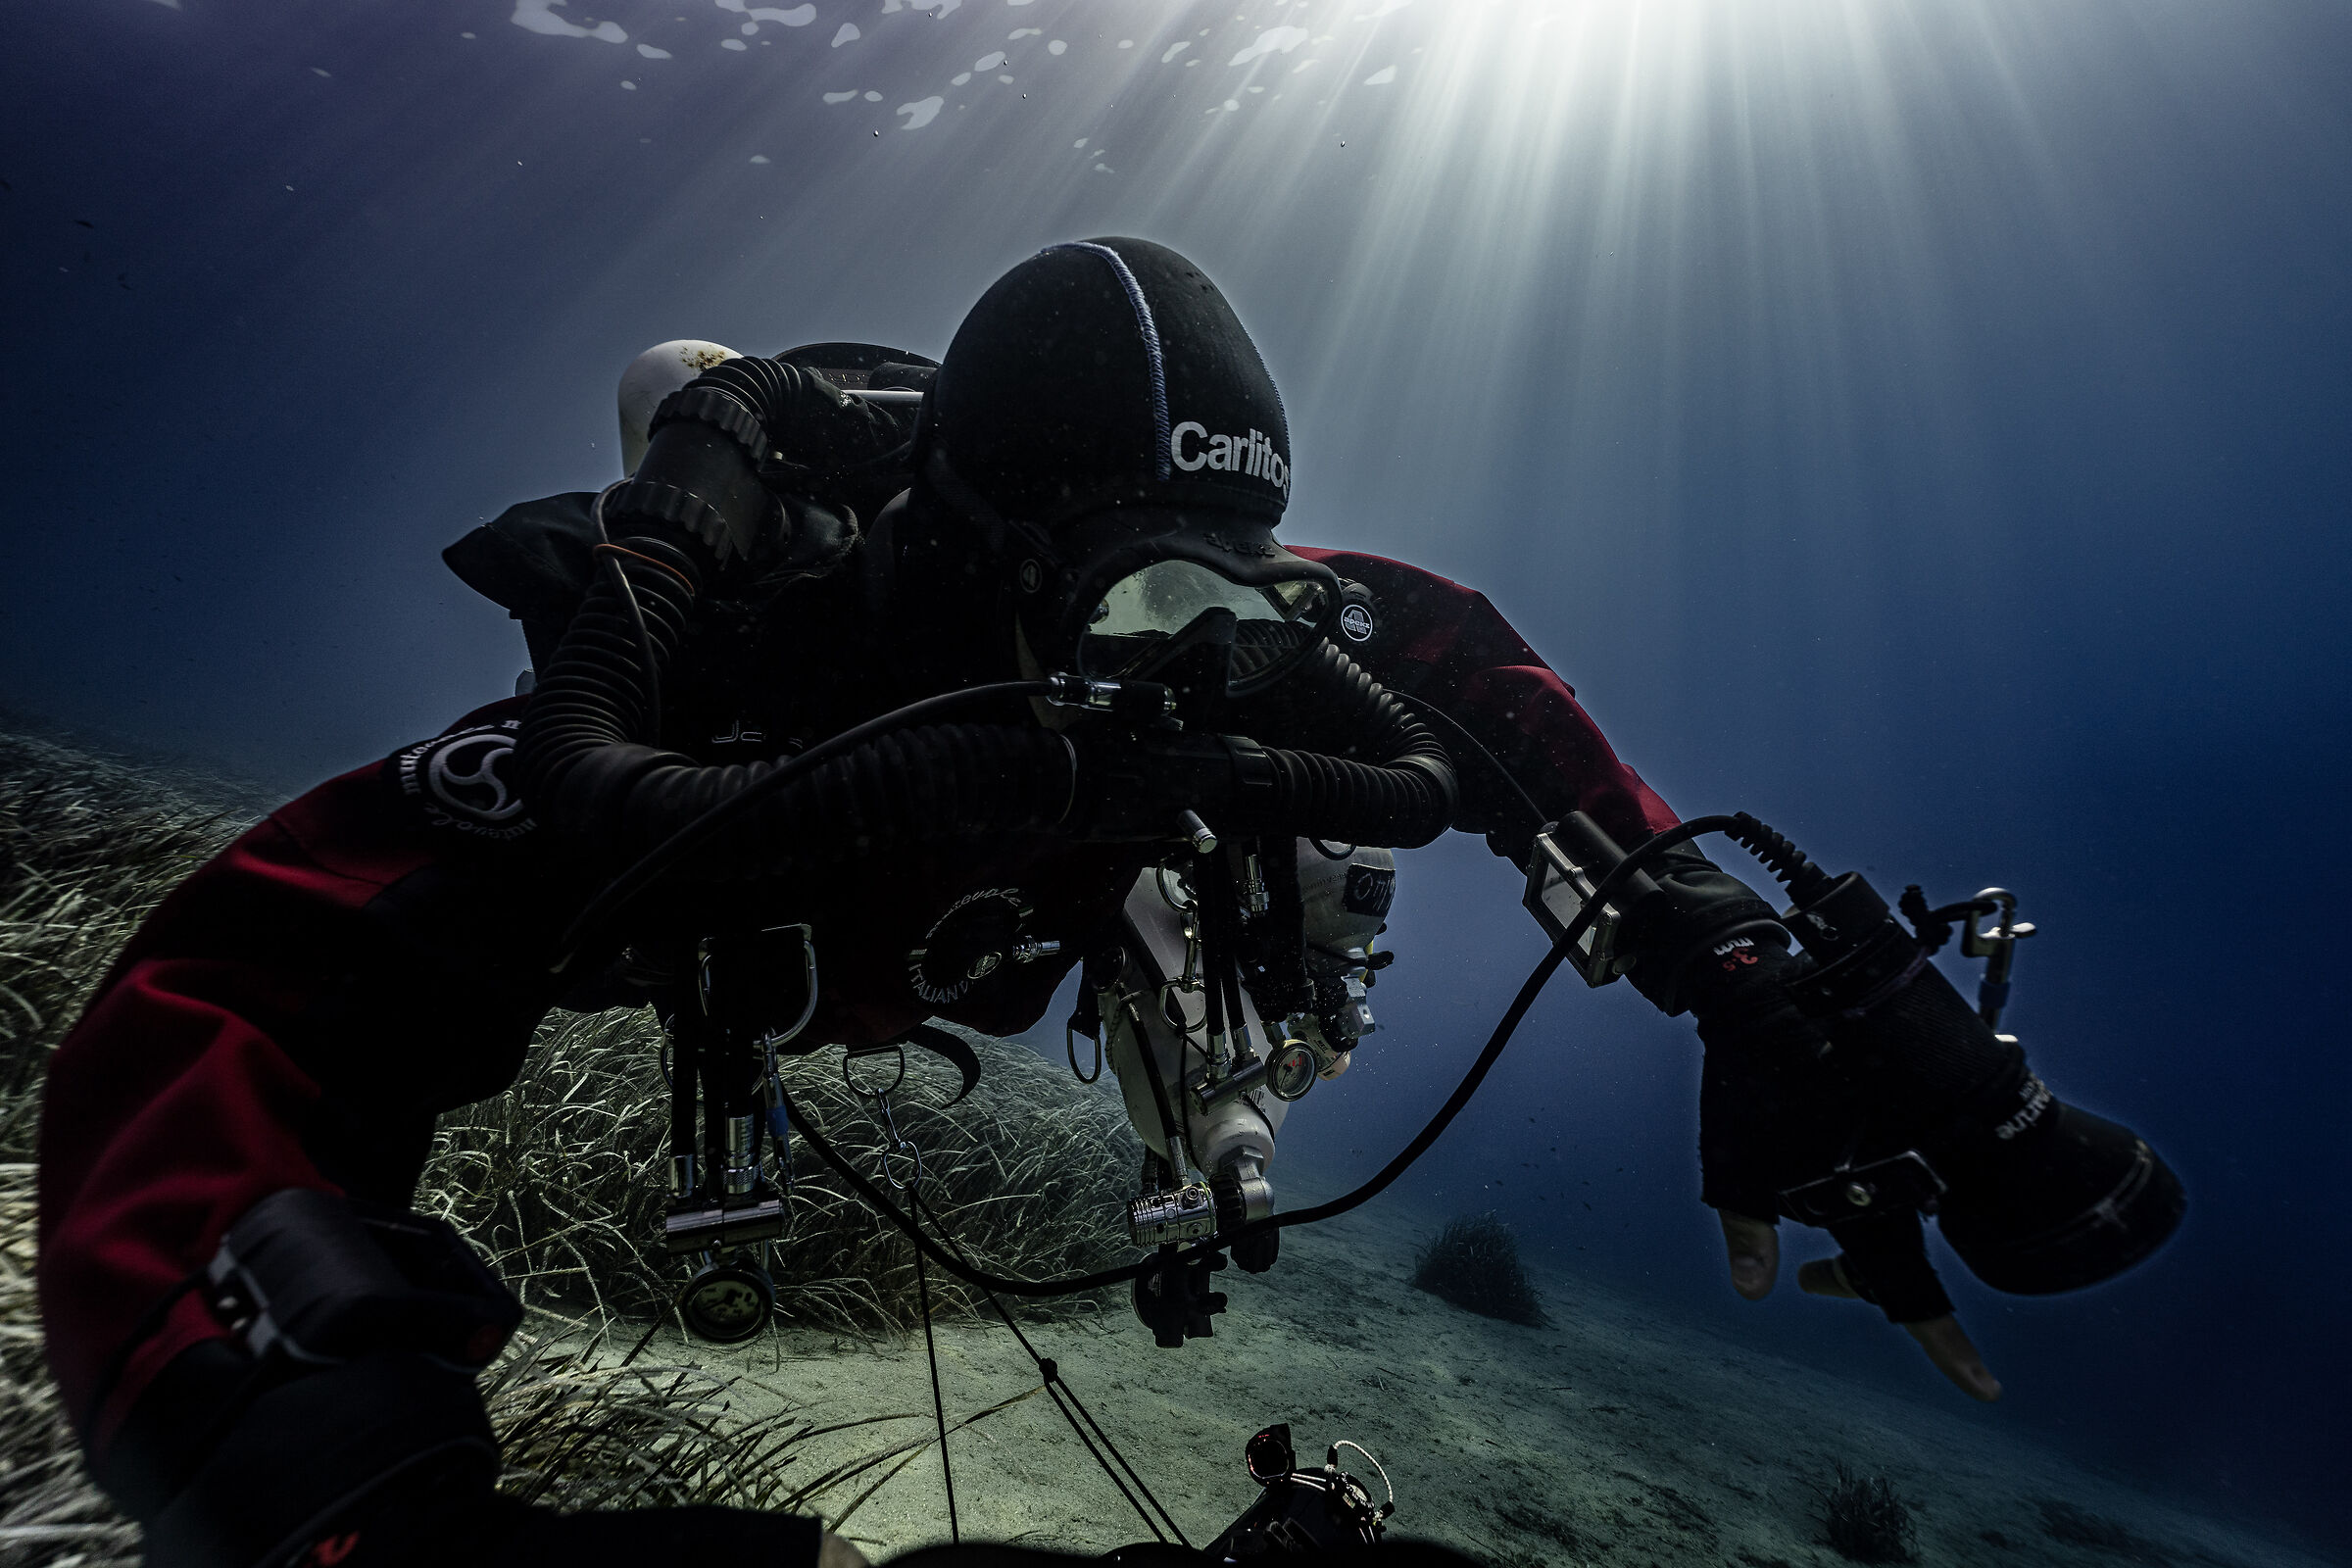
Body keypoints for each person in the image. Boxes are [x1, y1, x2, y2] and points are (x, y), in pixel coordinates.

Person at [35, 238, 2182, 1568]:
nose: (1191, 664)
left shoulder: (1265, 635)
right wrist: (278, 1430)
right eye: (1131, 590)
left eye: (1226, 590)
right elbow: (243, 972)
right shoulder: (721, 702)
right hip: (780, 861)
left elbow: (1440, 642)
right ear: (965, 553)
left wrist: (1741, 958)